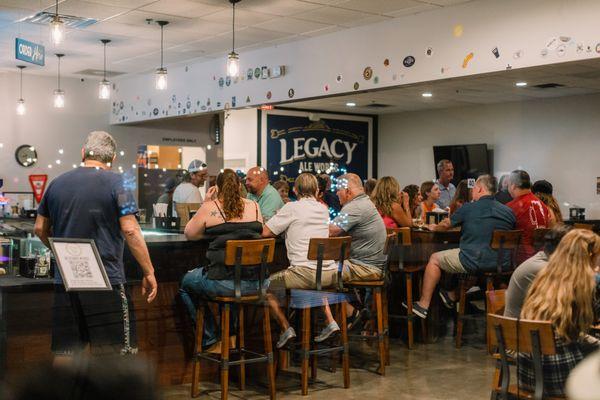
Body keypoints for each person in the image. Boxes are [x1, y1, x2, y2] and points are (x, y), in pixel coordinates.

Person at [34, 131, 157, 360]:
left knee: (67, 352)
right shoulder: (117, 182)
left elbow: (40, 228)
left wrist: (60, 251)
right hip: (106, 279)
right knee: (115, 353)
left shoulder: (57, 183)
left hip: (67, 280)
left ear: (83, 153)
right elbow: (130, 229)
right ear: (111, 159)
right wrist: (148, 271)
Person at [180, 169, 264, 352]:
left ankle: (211, 339)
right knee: (234, 283)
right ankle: (231, 336)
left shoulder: (211, 207)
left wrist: (205, 204)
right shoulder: (255, 206)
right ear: (240, 186)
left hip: (223, 283)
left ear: (217, 188)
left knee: (186, 283)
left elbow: (190, 234)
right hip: (256, 283)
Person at [411, 175, 515, 318]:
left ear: (479, 189)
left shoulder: (469, 208)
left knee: (434, 259)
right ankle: (452, 296)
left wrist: (435, 227)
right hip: (502, 264)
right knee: (474, 264)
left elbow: (446, 224)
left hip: (474, 261)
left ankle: (423, 304)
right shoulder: (508, 212)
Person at [519, 229, 600, 397]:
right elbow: (590, 322)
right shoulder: (581, 284)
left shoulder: (544, 277)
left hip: (529, 373)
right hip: (559, 375)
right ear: (590, 256)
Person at [263, 173, 339, 347]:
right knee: (315, 277)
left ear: (295, 190)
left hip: (304, 274)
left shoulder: (291, 208)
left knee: (266, 285)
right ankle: (330, 321)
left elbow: (266, 232)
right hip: (330, 273)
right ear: (317, 190)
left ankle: (286, 328)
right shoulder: (323, 208)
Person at [504, 224, 571, 318]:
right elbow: (563, 305)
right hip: (523, 329)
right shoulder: (542, 268)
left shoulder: (545, 260)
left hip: (532, 325)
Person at [329, 173, 387, 282]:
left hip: (365, 267)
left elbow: (331, 232)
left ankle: (341, 299)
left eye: (338, 190)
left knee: (320, 273)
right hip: (373, 265)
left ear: (347, 191)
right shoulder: (365, 201)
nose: (336, 193)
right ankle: (347, 299)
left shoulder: (355, 207)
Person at [506, 170, 549, 263]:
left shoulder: (511, 207)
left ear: (513, 186)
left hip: (521, 259)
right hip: (544, 256)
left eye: (508, 185)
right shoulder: (543, 205)